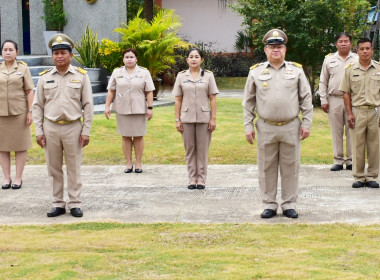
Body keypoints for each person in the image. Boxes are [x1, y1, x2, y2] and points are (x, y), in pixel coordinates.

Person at [242, 29, 313, 219]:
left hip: (291, 126)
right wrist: (248, 126)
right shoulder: (256, 72)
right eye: (271, 47)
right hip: (265, 126)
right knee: (266, 167)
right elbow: (248, 102)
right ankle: (269, 204)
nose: (275, 50)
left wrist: (307, 123)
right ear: (265, 50)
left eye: (279, 46)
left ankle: (289, 204)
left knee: (291, 166)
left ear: (285, 50)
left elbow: (306, 98)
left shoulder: (296, 70)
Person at [33, 33, 94, 218]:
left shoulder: (81, 76)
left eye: (63, 53)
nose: (59, 56)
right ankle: (58, 203)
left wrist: (86, 130)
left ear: (71, 55)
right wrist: (38, 131)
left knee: (74, 167)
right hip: (50, 127)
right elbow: (37, 106)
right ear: (52, 56)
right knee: (53, 167)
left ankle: (75, 202)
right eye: (56, 53)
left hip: (73, 127)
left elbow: (88, 105)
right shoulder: (44, 77)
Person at [173, 47, 218, 190]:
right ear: (187, 59)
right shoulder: (181, 77)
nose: (193, 59)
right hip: (186, 118)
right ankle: (192, 178)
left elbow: (213, 98)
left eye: (196, 57)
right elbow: (178, 100)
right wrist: (177, 119)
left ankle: (202, 179)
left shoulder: (208, 76)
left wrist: (213, 118)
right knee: (190, 149)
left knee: (202, 149)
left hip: (204, 118)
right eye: (191, 57)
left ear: (202, 60)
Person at [104, 48, 154, 173]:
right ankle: (128, 163)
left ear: (136, 59)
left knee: (138, 136)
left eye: (131, 57)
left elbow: (149, 91)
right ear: (123, 59)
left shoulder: (144, 72)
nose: (129, 59)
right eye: (126, 57)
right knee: (125, 136)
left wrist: (150, 108)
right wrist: (107, 106)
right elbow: (111, 91)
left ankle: (138, 164)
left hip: (139, 109)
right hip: (122, 109)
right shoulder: (117, 72)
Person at [339, 38, 380, 189]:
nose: (365, 51)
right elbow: (346, 93)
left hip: (375, 111)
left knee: (375, 146)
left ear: (372, 50)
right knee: (357, 145)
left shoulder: (378, 68)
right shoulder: (350, 69)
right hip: (357, 111)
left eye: (367, 48)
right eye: (362, 49)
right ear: (357, 51)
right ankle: (358, 176)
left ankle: (371, 176)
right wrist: (349, 113)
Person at [319, 33, 357, 171]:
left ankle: (351, 160)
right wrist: (323, 99)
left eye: (346, 41)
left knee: (352, 129)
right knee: (336, 130)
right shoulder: (329, 59)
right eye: (340, 41)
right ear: (336, 44)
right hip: (334, 99)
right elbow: (323, 80)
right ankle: (338, 160)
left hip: (353, 100)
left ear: (351, 44)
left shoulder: (357, 59)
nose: (343, 44)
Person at [0, 40, 34, 190]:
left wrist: (30, 111)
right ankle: (6, 177)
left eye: (10, 50)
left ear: (16, 52)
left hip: (19, 113)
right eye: (5, 49)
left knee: (20, 146)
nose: (7, 52)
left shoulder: (23, 69)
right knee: (2, 147)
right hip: (1, 113)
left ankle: (18, 178)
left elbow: (29, 91)